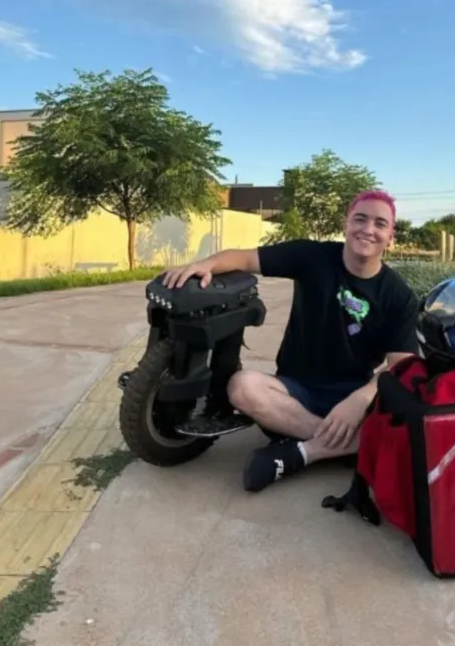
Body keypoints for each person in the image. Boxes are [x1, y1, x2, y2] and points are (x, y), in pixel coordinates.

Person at [162, 190, 420, 492]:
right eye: (360, 219)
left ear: (391, 236)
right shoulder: (312, 257)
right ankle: (344, 444)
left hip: (352, 393)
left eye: (380, 224)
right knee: (241, 386)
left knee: (410, 411)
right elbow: (244, 257)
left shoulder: (399, 296)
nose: (368, 229)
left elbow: (401, 369)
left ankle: (303, 452)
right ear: (346, 225)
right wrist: (206, 264)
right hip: (294, 390)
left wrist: (359, 400)